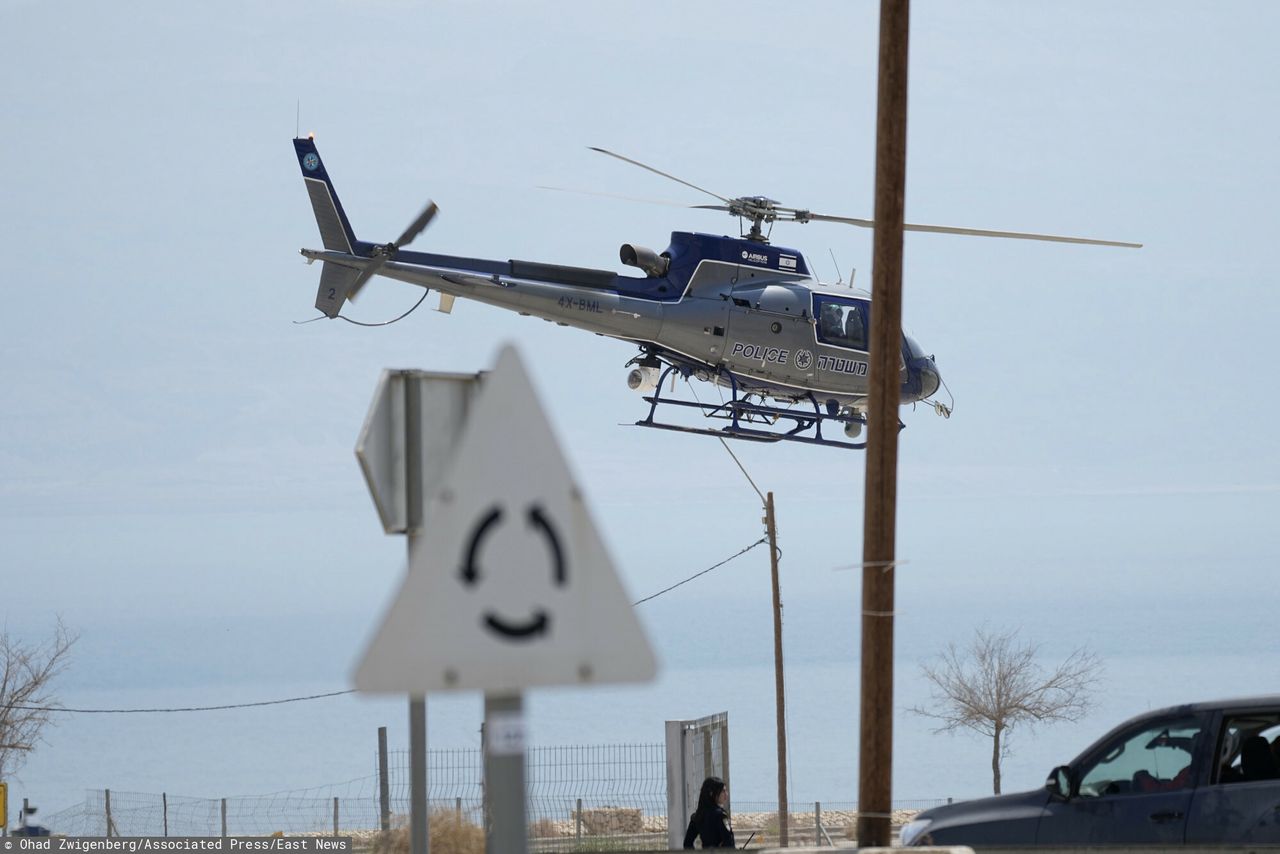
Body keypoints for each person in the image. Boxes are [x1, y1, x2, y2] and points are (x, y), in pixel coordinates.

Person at [683, 776, 735, 849]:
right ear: (711, 793)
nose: (726, 794)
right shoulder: (720, 815)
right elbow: (729, 843)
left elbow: (687, 843)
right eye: (723, 791)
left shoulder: (697, 816)